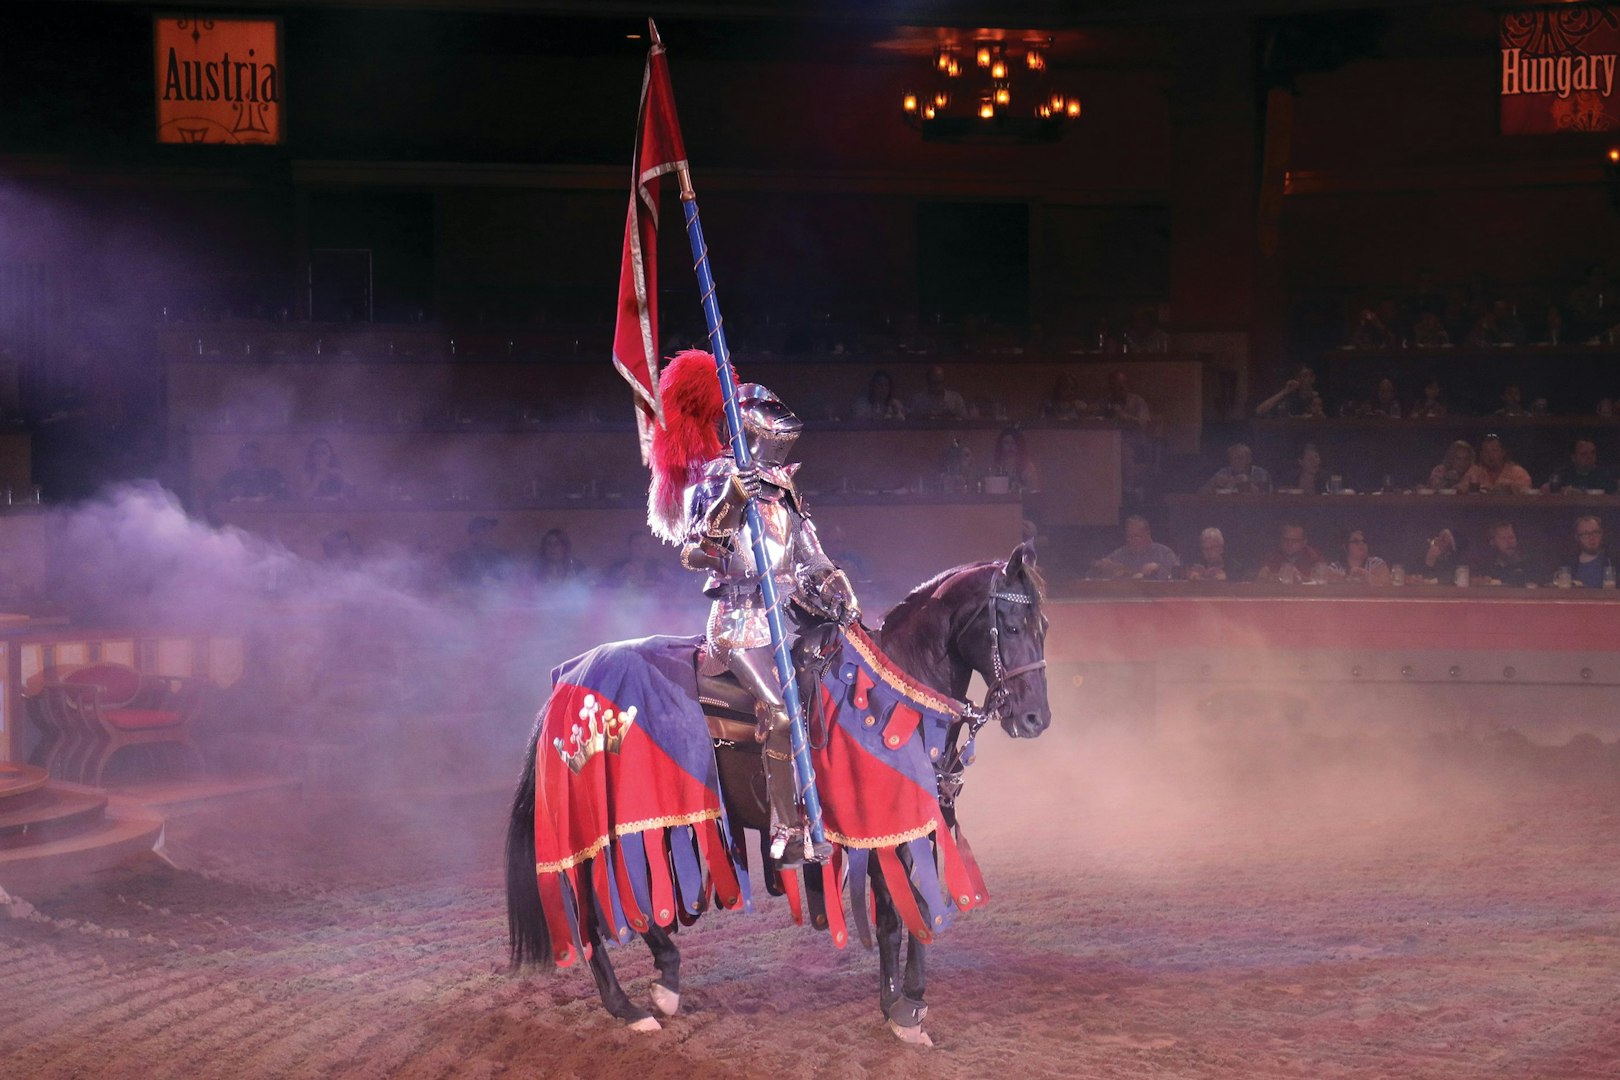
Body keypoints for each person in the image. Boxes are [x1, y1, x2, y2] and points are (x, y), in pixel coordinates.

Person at [646, 350, 858, 866]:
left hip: (789, 617)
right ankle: (784, 830)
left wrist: (837, 583)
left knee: (837, 691)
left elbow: (810, 553)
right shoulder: (716, 479)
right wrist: (732, 501)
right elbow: (696, 553)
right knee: (781, 714)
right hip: (738, 622)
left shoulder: (784, 487)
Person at [1089, 515, 1179, 580]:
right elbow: (1090, 576)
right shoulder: (1118, 554)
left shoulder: (1164, 553)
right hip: (1125, 597)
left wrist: (1159, 569)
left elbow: (1178, 579)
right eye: (1129, 537)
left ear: (1148, 535)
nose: (1132, 540)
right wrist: (1099, 567)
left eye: (1136, 536)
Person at [210, 441, 289, 503]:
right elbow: (216, 496)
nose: (251, 460)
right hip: (236, 516)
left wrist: (269, 498)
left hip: (270, 516)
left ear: (261, 458)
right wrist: (229, 494)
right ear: (240, 459)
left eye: (254, 457)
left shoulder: (272, 475)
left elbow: (283, 494)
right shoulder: (231, 477)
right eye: (246, 457)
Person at [447, 516, 513, 588]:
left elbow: (511, 581)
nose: (489, 534)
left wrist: (498, 583)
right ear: (473, 535)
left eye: (490, 530)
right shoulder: (460, 557)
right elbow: (451, 583)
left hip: (498, 594)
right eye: (484, 530)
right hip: (470, 593)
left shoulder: (501, 555)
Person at [1469, 521, 1538, 586]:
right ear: (1493, 542)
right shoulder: (1486, 567)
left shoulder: (1530, 563)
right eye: (1503, 538)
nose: (1509, 542)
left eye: (1511, 537)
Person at [601, 529, 672, 591]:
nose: (641, 548)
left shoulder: (657, 566)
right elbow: (606, 587)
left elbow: (671, 586)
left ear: (649, 547)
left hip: (652, 600)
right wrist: (622, 576)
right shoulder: (619, 566)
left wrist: (656, 584)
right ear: (630, 547)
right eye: (637, 545)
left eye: (645, 544)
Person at [1256, 522, 1326, 584]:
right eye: (1286, 540)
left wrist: (1302, 579)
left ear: (1304, 542)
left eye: (1294, 541)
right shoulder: (1271, 557)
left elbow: (1321, 582)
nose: (1289, 544)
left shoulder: (1314, 557)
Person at [1461, 434, 1533, 494]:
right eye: (1486, 451)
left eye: (1494, 450)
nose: (1490, 455)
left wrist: (1510, 486)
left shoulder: (1517, 472)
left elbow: (1528, 492)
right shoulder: (1475, 471)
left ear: (1503, 452)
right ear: (1481, 455)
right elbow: (1460, 488)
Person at [1542, 439, 1616, 494]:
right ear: (1573, 458)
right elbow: (1546, 489)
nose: (1590, 457)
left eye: (1593, 453)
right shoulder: (1563, 474)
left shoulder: (1605, 475)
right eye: (1584, 454)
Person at [1326, 527, 1391, 585]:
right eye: (1356, 541)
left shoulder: (1377, 564)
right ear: (1345, 547)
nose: (1362, 543)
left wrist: (1365, 575)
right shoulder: (1335, 568)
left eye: (1364, 541)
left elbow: (1387, 586)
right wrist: (1346, 579)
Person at [1200, 442, 1272, 494]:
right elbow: (1200, 493)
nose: (1236, 461)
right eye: (1233, 458)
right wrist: (1214, 484)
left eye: (1240, 458)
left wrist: (1248, 484)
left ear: (1249, 459)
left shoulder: (1260, 473)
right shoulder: (1224, 472)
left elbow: (1271, 495)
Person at [990, 427, 1040, 493]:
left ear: (1019, 445)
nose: (1010, 446)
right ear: (1001, 445)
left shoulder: (1027, 466)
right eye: (1006, 443)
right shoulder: (996, 465)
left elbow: (1034, 490)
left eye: (1013, 443)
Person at [1568, 515, 1613, 588]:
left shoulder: (1612, 561)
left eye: (1595, 532)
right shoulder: (1569, 564)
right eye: (1585, 534)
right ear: (1577, 538)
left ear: (1602, 534)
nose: (1591, 537)